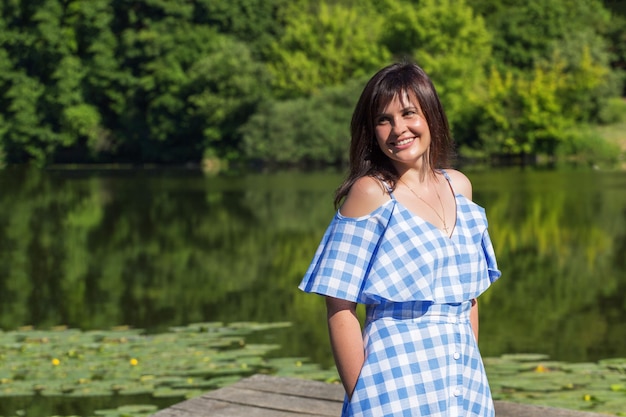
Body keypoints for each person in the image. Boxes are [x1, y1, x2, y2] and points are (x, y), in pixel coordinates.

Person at [298, 62, 501, 417]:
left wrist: (470, 372)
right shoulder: (372, 193)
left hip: (464, 383)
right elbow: (339, 307)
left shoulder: (460, 187)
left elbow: (468, 299)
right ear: (372, 131)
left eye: (409, 113)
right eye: (383, 120)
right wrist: (362, 395)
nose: (398, 129)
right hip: (393, 386)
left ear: (431, 116)